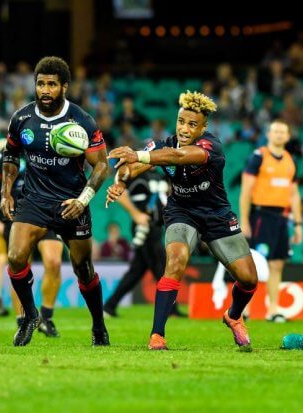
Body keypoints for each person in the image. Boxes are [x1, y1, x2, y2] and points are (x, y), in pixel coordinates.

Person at [107, 91, 258, 351]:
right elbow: (131, 168)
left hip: (216, 214)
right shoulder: (164, 145)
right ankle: (157, 335)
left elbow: (176, 157)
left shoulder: (211, 147)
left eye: (191, 124)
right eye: (181, 122)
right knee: (175, 261)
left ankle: (233, 315)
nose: (184, 129)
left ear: (203, 127)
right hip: (181, 212)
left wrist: (139, 156)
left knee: (248, 280)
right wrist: (121, 182)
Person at [0, 56, 109, 347]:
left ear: (64, 87)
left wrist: (83, 200)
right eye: (40, 84)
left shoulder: (82, 121)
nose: (45, 90)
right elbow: (10, 156)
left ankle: (98, 326)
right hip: (34, 200)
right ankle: (31, 315)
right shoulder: (22, 119)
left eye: (51, 84)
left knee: (83, 269)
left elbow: (101, 165)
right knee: (15, 256)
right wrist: (6, 192)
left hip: (71, 203)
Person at [0, 138, 65, 332]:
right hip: (19, 216)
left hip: (49, 213)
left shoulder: (55, 149)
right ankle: (23, 320)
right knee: (20, 267)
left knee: (54, 262)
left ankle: (47, 317)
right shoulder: (7, 152)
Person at [239, 119, 303, 322]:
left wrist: (298, 224)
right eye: (275, 131)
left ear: (288, 136)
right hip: (260, 216)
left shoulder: (290, 160)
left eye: (282, 131)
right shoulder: (259, 157)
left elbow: (294, 195)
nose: (278, 134)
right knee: (254, 265)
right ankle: (245, 310)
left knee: (276, 265)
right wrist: (245, 219)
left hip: (282, 219)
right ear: (269, 134)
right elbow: (246, 190)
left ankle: (273, 310)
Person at [103, 168, 184, 318]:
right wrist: (136, 214)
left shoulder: (160, 175)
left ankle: (109, 306)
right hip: (144, 227)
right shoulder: (134, 174)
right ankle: (171, 309)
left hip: (156, 227)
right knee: (160, 268)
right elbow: (119, 193)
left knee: (137, 271)